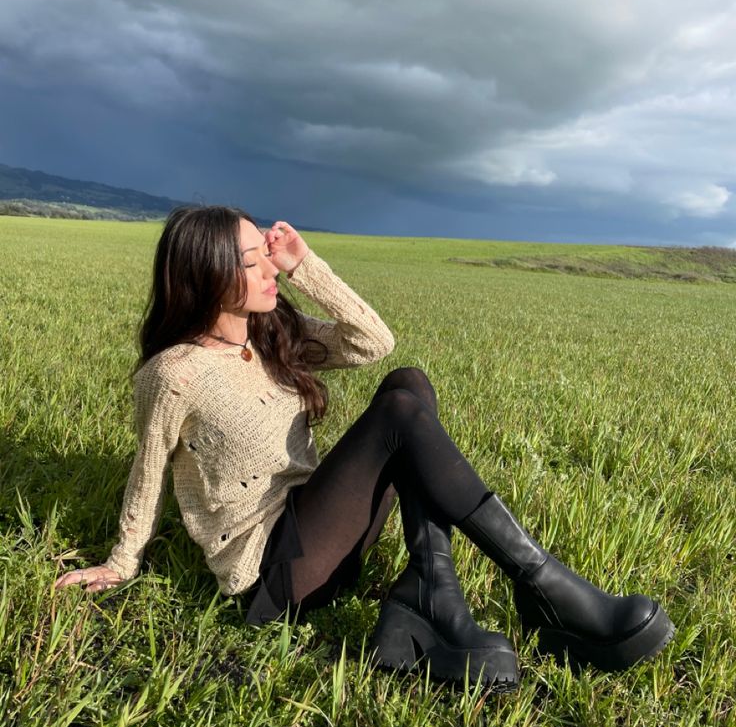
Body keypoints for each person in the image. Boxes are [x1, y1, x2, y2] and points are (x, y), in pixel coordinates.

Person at [55, 206, 675, 690]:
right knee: (401, 412)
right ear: (206, 273)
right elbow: (148, 470)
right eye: (254, 261)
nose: (269, 269)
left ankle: (431, 594)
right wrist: (122, 560)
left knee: (408, 383)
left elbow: (373, 341)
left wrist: (306, 265)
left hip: (327, 531)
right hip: (276, 574)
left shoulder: (270, 337)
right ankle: (539, 584)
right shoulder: (175, 374)